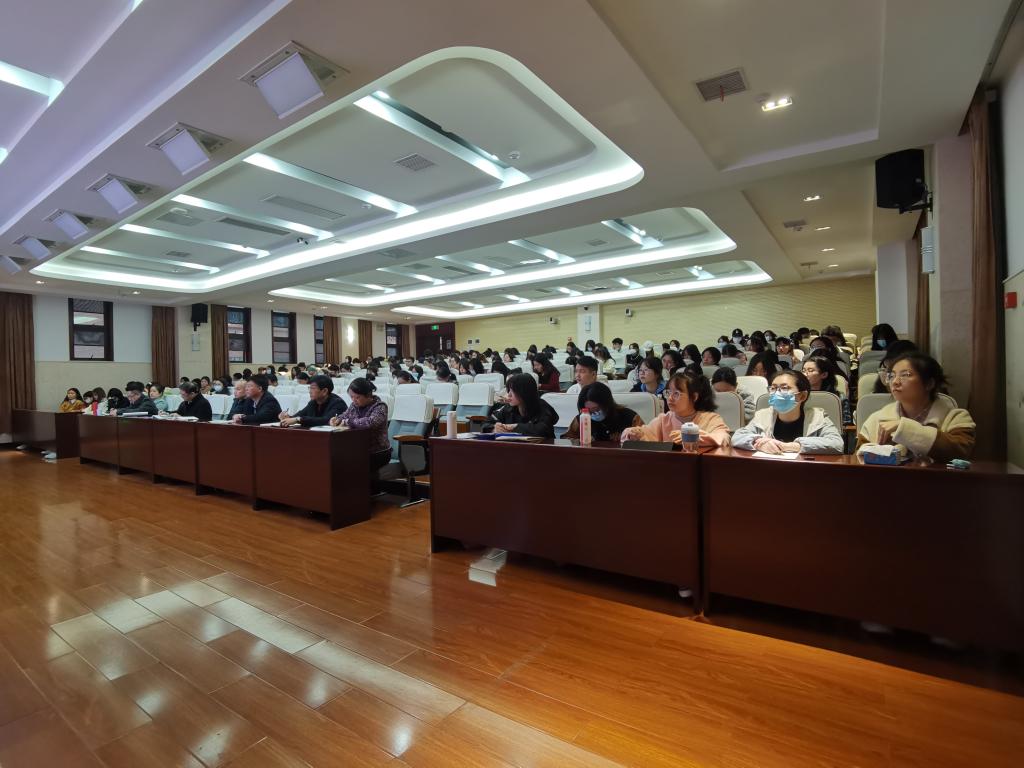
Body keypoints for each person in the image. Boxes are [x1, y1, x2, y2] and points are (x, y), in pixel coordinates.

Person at [857, 353, 975, 461]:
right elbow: (858, 458)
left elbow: (961, 452)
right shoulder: (876, 419)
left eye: (905, 375)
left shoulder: (955, 417)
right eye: (892, 376)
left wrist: (904, 428)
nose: (895, 382)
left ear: (929, 383)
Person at [731, 370, 844, 454]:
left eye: (784, 388)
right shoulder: (763, 415)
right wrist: (759, 443)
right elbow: (737, 437)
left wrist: (792, 446)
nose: (776, 393)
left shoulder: (817, 416)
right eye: (773, 388)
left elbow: (837, 444)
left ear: (802, 396)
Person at [621, 370, 729, 447]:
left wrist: (694, 437)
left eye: (676, 393)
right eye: (668, 392)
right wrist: (634, 434)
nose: (670, 398)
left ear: (694, 397)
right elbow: (646, 433)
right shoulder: (663, 420)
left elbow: (723, 437)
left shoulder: (710, 419)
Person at [329, 378, 391, 471]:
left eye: (357, 397)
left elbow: (370, 423)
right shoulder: (354, 405)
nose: (354, 400)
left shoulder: (380, 407)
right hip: (359, 449)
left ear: (368, 395)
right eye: (351, 397)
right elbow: (344, 415)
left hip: (377, 452)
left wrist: (348, 422)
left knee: (348, 465)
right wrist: (336, 419)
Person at [483, 373, 558, 437]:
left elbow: (543, 429)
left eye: (513, 391)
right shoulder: (508, 407)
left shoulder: (542, 406)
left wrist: (515, 427)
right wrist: (494, 428)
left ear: (524, 392)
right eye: (509, 390)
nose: (509, 395)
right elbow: (486, 423)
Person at [564, 382, 643, 442]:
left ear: (607, 404)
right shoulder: (581, 419)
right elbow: (566, 439)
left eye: (597, 409)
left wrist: (630, 438)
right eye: (589, 410)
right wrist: (580, 441)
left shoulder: (630, 417)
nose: (593, 413)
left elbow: (645, 438)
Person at [801, 355, 851, 425]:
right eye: (803, 371)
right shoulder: (799, 396)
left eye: (810, 371)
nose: (805, 374)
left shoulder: (839, 397)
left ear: (824, 374)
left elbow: (845, 424)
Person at [280, 375, 347, 427]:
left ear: (324, 391)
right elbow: (299, 415)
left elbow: (326, 420)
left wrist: (298, 419)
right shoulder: (313, 402)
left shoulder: (338, 403)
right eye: (309, 388)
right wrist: (288, 418)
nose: (310, 391)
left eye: (313, 388)